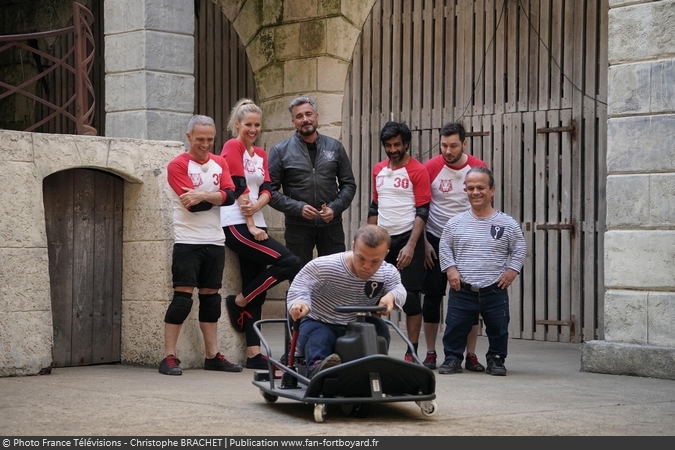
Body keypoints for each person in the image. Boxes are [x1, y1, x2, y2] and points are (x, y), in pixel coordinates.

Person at [219, 99, 303, 370]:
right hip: (237, 224)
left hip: (256, 219)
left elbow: (267, 187)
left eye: (257, 124)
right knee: (291, 262)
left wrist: (259, 206)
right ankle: (238, 302)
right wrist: (252, 223)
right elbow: (238, 187)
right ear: (237, 125)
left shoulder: (261, 155)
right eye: (248, 124)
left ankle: (254, 354)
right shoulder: (232, 146)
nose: (253, 129)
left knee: (256, 284)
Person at [159, 114, 243, 376]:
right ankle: (169, 357)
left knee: (211, 301)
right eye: (200, 140)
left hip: (215, 241)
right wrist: (217, 197)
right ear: (188, 138)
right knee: (182, 300)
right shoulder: (177, 165)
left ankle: (212, 355)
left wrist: (208, 195)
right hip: (188, 241)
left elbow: (231, 196)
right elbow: (192, 205)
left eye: (210, 139)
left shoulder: (219, 163)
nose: (205, 144)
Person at [437, 167, 526, 376]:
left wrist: (513, 270)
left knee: (499, 327)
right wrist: (450, 269)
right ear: (465, 190)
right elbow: (444, 246)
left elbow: (520, 248)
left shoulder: (507, 223)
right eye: (471, 188)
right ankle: (452, 358)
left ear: (492, 190)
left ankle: (496, 359)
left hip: (495, 289)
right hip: (463, 288)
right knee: (455, 326)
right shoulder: (455, 223)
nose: (476, 192)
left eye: (481, 187)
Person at [287, 224, 407, 378]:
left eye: (375, 261)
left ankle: (376, 369)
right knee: (320, 335)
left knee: (379, 328)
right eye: (361, 258)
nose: (366, 266)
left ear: (386, 253)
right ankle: (319, 370)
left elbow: (399, 289)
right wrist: (300, 303)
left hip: (356, 325)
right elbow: (299, 288)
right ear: (353, 247)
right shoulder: (323, 266)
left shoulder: (387, 272)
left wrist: (391, 296)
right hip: (319, 321)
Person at [421, 122, 488, 371]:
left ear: (465, 144)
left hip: (468, 241)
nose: (448, 151)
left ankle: (470, 354)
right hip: (436, 239)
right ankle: (430, 352)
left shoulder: (477, 167)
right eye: (444, 145)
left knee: (471, 298)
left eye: (453, 145)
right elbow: (421, 207)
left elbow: (484, 204)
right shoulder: (430, 167)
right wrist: (425, 243)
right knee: (432, 297)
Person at [367, 121, 431, 363]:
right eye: (388, 145)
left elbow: (423, 211)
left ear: (406, 144)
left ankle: (411, 351)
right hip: (382, 240)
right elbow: (374, 206)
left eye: (396, 145)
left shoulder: (418, 171)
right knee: (372, 295)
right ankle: (374, 347)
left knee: (411, 298)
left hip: (407, 239)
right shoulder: (378, 170)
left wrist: (412, 245)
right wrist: (369, 240)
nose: (392, 150)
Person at [268, 96, 357, 267]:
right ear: (293, 121)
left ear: (317, 116)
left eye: (309, 114)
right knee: (298, 278)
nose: (305, 119)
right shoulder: (280, 151)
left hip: (331, 225)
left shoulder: (335, 147)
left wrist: (334, 208)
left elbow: (349, 185)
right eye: (299, 116)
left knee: (334, 276)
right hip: (297, 227)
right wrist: (298, 208)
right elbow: (269, 192)